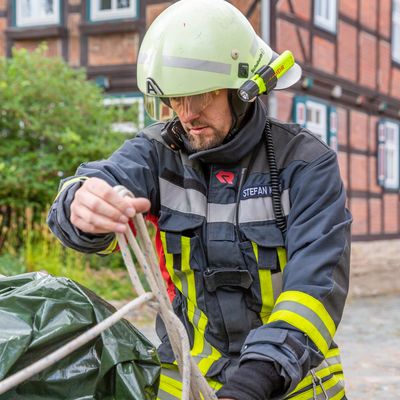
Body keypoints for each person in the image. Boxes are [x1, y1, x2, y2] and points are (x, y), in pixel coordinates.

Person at [48, 0, 352, 399]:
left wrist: (256, 380)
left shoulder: (306, 163)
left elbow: (316, 287)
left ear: (243, 91)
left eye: (201, 95)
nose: (186, 114)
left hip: (291, 385)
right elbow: (100, 178)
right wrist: (80, 202)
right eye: (175, 99)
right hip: (189, 383)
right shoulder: (157, 152)